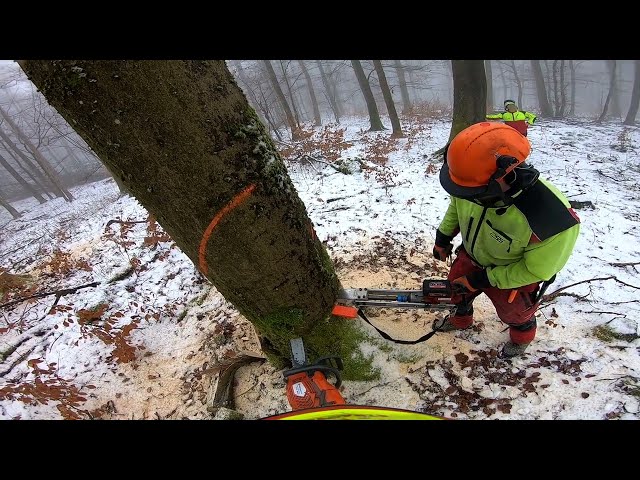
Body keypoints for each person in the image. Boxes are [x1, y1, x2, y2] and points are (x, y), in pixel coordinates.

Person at [432, 121, 580, 358]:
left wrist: (481, 279)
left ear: (506, 174)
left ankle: (521, 338)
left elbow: (535, 271)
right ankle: (460, 319)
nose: (468, 196)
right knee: (457, 290)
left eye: (473, 193)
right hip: (471, 255)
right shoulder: (472, 180)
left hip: (513, 275)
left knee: (516, 314)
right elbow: (457, 204)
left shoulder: (552, 220)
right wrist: (443, 236)